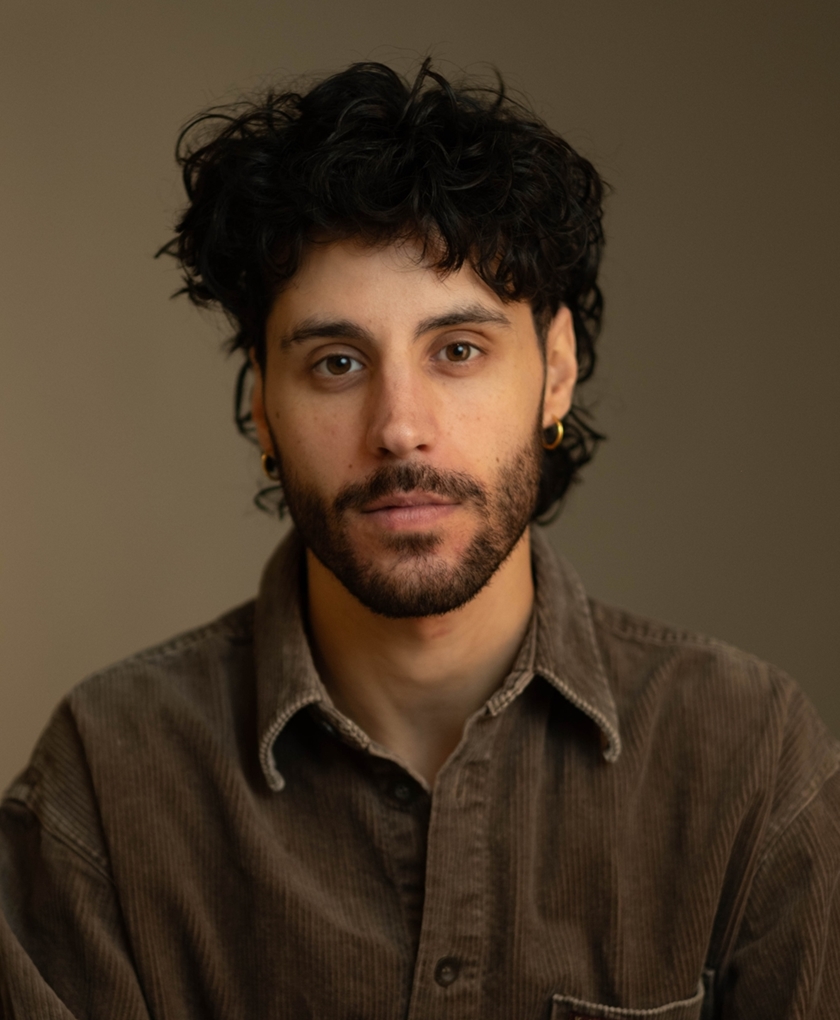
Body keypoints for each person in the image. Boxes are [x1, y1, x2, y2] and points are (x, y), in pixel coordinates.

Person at [1, 60, 837, 1020]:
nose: (400, 427)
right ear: (262, 407)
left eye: (459, 351)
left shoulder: (749, 764)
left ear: (557, 372)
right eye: (337, 362)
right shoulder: (107, 783)